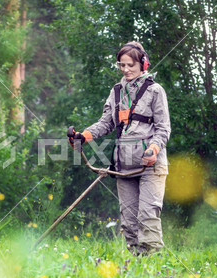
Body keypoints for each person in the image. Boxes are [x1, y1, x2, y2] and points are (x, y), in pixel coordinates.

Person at [69, 41, 171, 256]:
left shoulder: (155, 91)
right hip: (123, 166)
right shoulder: (116, 92)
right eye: (121, 65)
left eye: (130, 65)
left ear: (143, 64)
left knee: (147, 216)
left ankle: (154, 264)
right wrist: (83, 136)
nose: (125, 70)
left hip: (150, 167)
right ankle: (137, 263)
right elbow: (106, 123)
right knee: (129, 219)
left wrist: (153, 149)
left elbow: (163, 129)